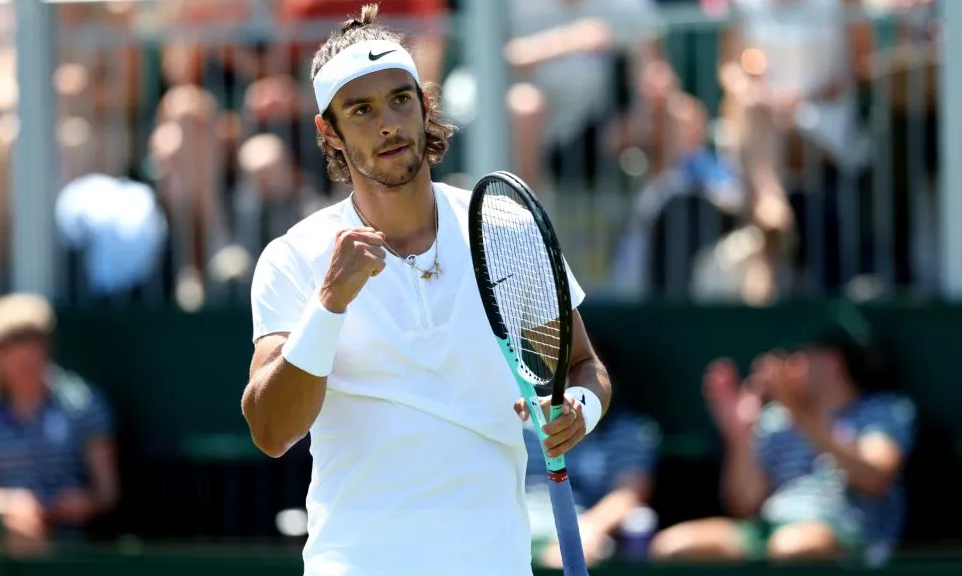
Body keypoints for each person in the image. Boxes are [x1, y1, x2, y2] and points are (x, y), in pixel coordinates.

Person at [241, 5, 613, 575]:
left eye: (399, 99)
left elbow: (583, 369)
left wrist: (576, 410)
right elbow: (270, 430)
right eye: (360, 110)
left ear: (424, 103)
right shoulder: (294, 258)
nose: (388, 123)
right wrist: (329, 305)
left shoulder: (504, 231)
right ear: (329, 131)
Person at [650, 306, 915, 565]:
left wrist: (802, 415)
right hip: (771, 529)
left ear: (832, 361)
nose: (790, 366)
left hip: (845, 535)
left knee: (793, 548)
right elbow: (743, 504)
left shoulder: (884, 411)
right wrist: (741, 436)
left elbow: (875, 477)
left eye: (799, 356)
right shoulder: (775, 419)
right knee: (672, 547)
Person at [0, 294, 119, 560]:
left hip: (59, 538)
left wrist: (80, 502)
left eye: (32, 339)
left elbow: (107, 492)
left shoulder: (82, 403)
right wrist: (16, 502)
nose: (25, 352)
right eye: (11, 342)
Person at [524, 410, 659, 568]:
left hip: (584, 532)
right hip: (514, 530)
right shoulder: (519, 425)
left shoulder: (629, 431)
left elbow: (628, 494)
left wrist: (579, 536)